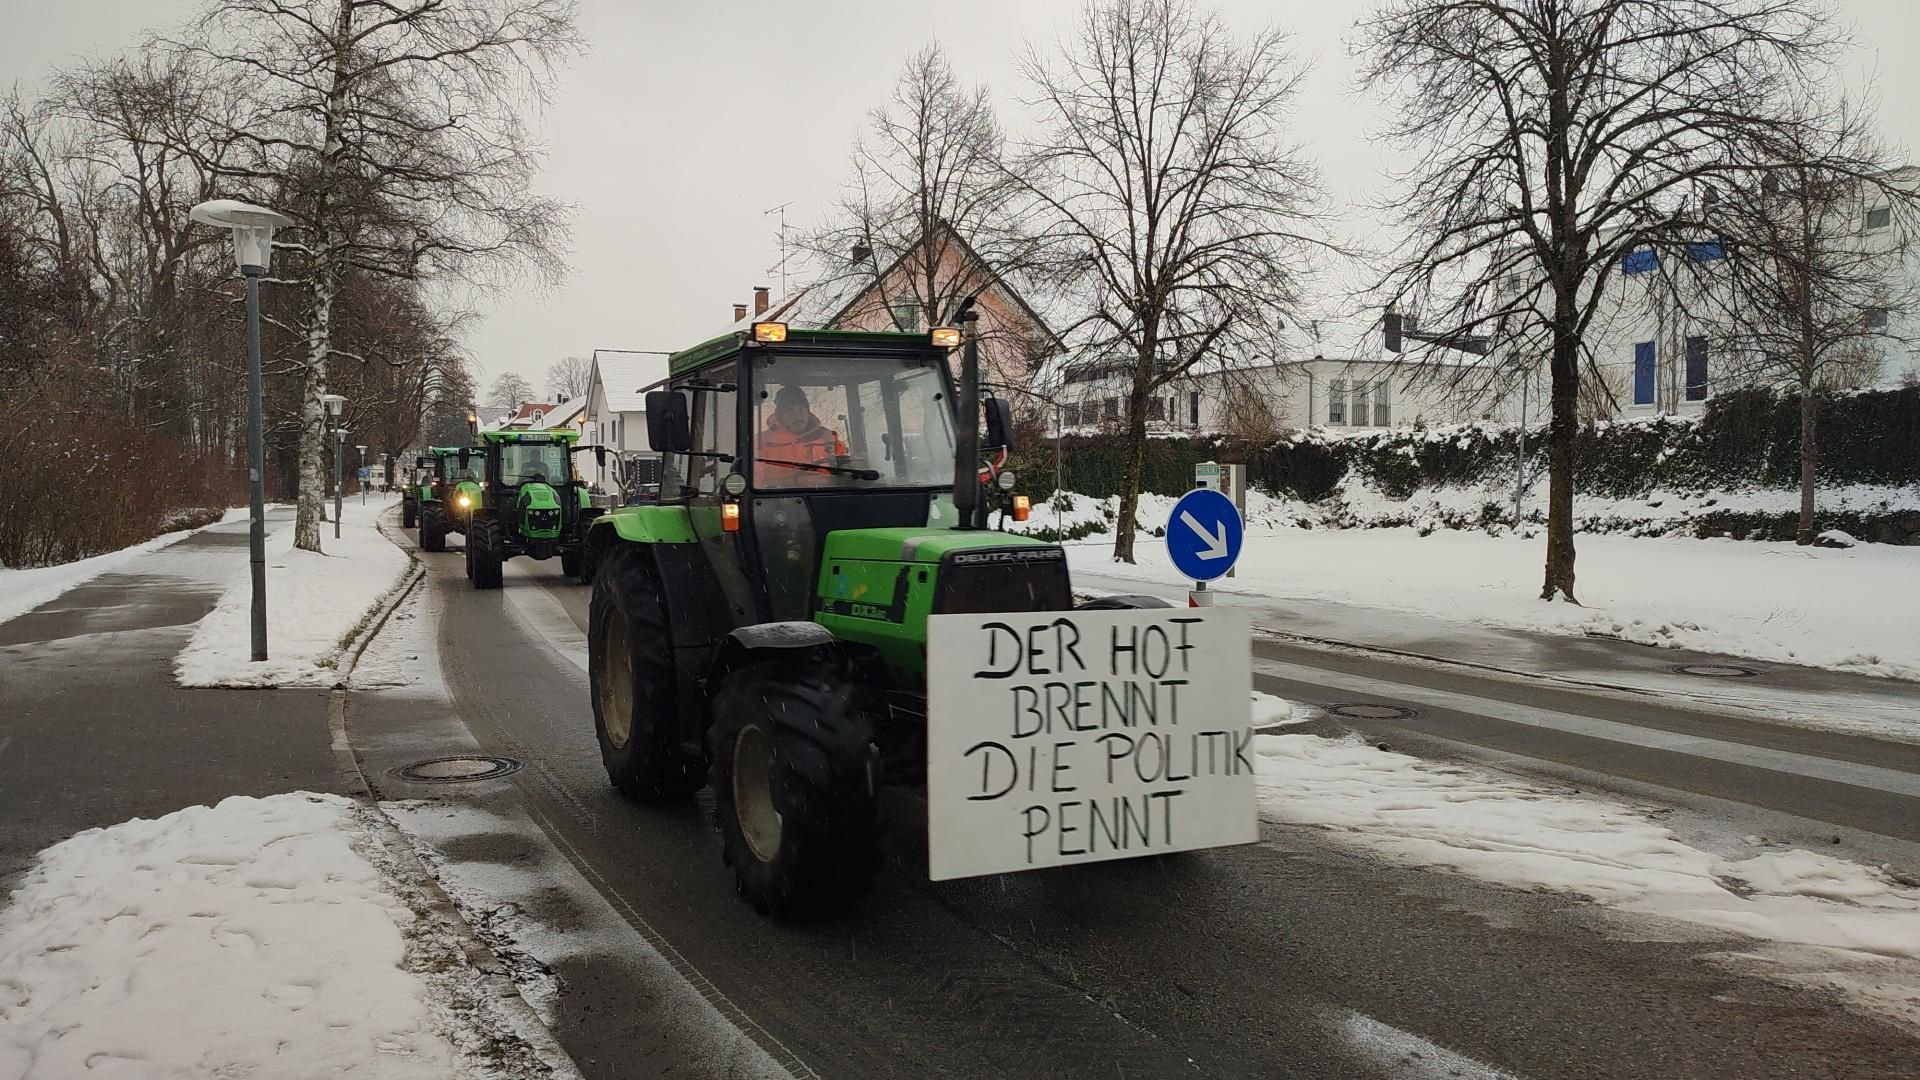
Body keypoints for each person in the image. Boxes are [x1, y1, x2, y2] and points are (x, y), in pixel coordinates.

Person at [757, 385, 845, 486]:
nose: (797, 416)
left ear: (808, 412)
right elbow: (756, 481)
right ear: (780, 415)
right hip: (780, 498)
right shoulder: (762, 443)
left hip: (829, 496)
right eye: (790, 410)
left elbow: (847, 469)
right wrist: (796, 482)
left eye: (801, 409)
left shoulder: (829, 438)